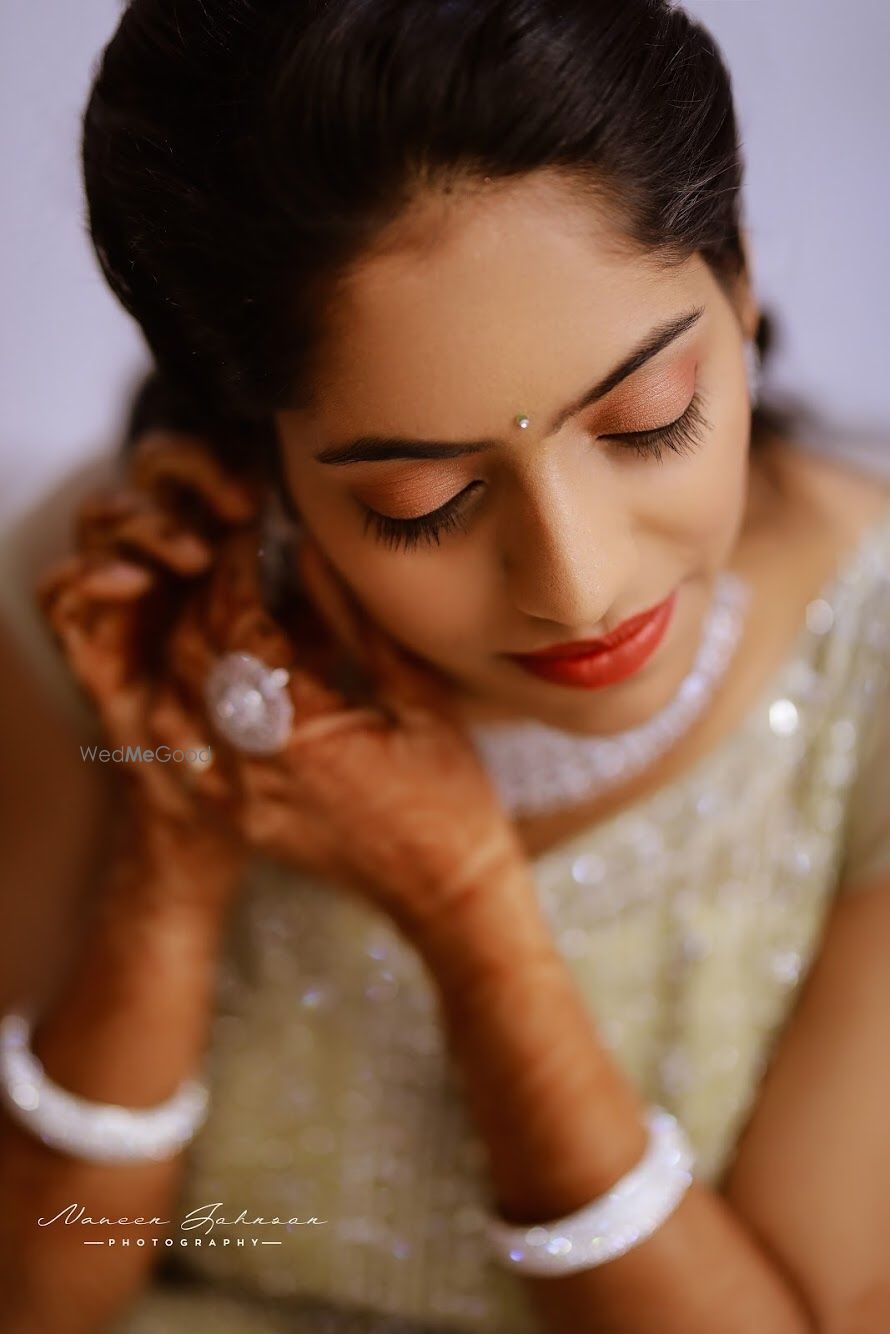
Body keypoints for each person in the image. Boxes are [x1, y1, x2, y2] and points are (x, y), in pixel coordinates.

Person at [1, 1, 889, 1331]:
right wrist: (173, 846)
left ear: (741, 281)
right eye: (422, 502)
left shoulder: (868, 664)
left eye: (648, 421)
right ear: (260, 458)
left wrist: (472, 920)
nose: (577, 583)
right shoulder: (118, 612)